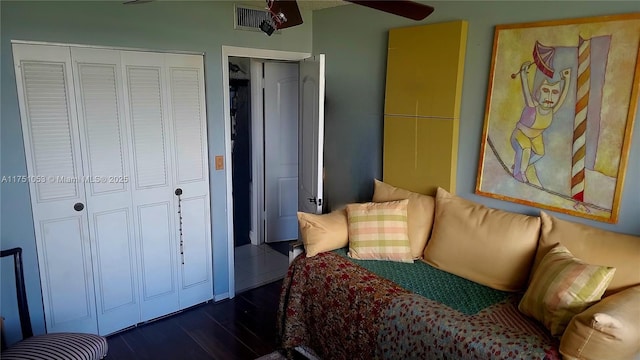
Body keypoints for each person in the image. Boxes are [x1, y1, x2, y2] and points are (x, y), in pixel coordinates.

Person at [510, 61, 571, 186]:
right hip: (521, 134)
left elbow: (563, 96)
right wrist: (523, 74)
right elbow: (526, 92)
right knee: (525, 148)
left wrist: (567, 79)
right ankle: (519, 173)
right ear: (538, 93)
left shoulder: (552, 110)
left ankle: (521, 165)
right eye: (545, 91)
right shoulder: (533, 105)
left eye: (554, 93)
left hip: (536, 137)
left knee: (539, 153)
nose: (549, 96)